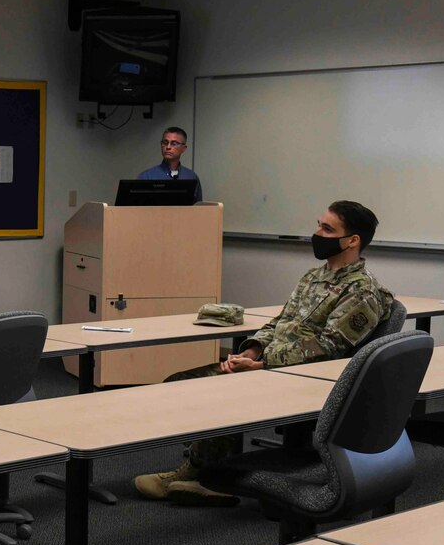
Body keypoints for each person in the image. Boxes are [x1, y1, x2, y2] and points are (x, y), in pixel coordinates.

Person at [133, 200, 393, 506]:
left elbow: (328, 347)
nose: (317, 233)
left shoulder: (363, 291)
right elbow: (280, 323)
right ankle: (209, 470)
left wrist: (262, 365)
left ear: (353, 241)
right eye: (318, 224)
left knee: (220, 389)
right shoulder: (313, 277)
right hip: (271, 365)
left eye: (327, 228)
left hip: (307, 377)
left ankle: (207, 479)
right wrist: (253, 350)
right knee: (180, 382)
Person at [138, 126, 202, 202]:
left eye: (174, 143)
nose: (168, 147)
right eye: (165, 142)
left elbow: (199, 209)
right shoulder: (147, 176)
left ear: (183, 148)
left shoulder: (191, 177)